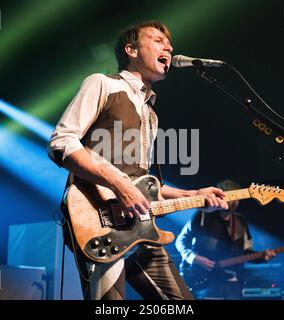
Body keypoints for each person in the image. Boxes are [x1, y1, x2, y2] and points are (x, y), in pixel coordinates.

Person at [47, 21, 229, 300]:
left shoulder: (151, 115)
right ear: (131, 49)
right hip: (99, 220)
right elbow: (61, 143)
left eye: (169, 44)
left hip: (140, 227)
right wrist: (121, 187)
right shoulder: (102, 84)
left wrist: (194, 194)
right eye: (157, 40)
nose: (168, 47)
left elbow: (142, 184)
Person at [175, 179, 276, 300]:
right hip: (205, 283)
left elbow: (244, 253)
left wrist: (262, 257)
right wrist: (194, 258)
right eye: (232, 197)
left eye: (238, 198)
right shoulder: (202, 215)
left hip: (233, 284)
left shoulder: (240, 221)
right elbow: (181, 241)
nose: (235, 202)